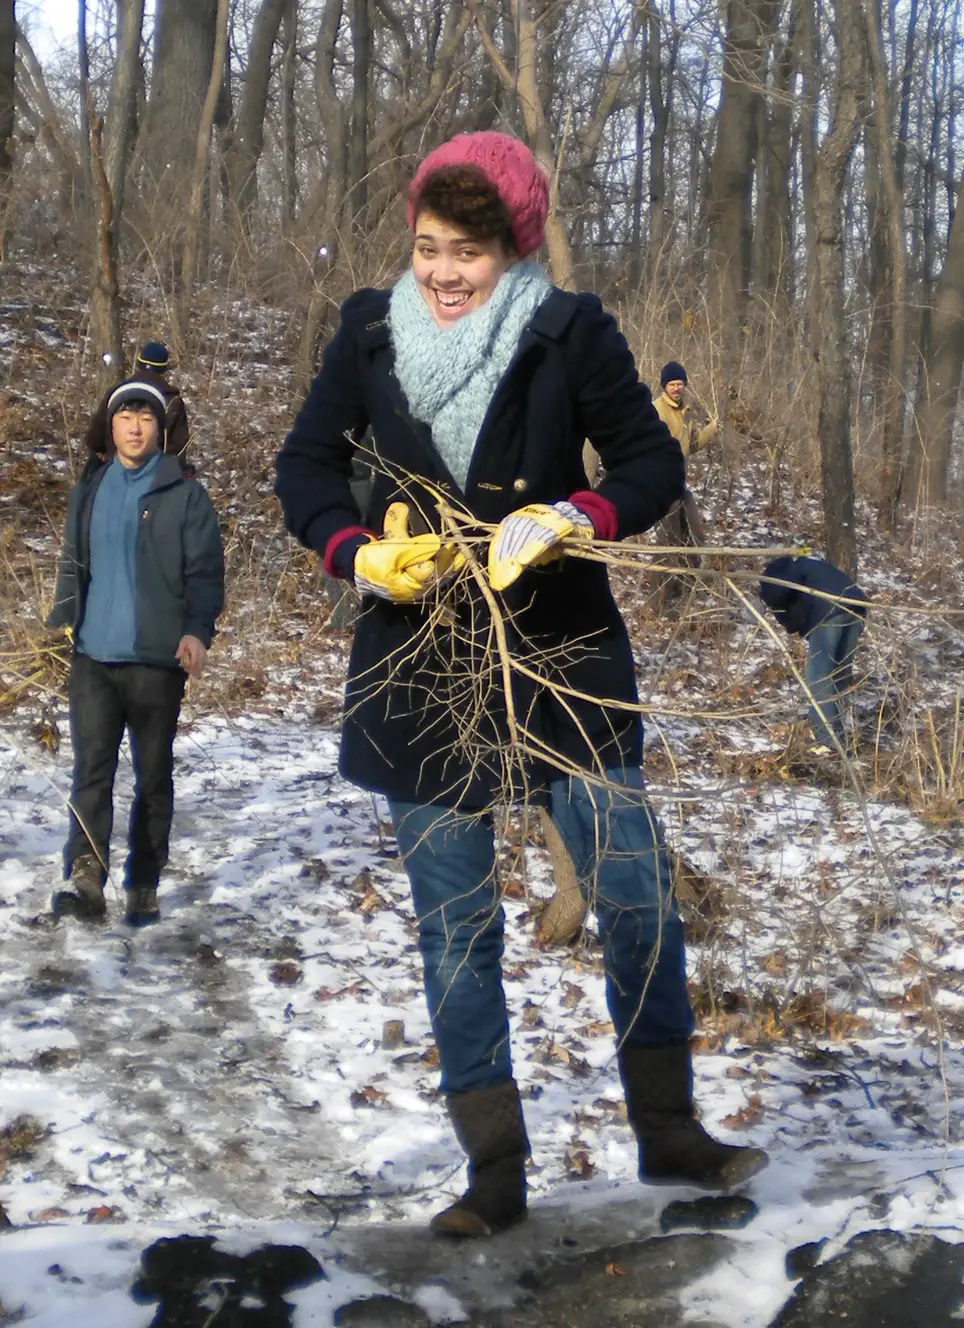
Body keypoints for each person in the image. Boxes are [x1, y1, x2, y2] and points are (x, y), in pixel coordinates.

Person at [275, 131, 767, 1238]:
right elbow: (303, 466)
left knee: (634, 893)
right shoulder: (365, 332)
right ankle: (494, 1167)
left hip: (561, 655)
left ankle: (670, 1127)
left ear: (518, 245)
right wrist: (356, 549)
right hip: (420, 665)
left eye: (471, 251)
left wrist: (573, 517)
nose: (444, 271)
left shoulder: (569, 332)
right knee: (456, 927)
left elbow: (648, 463)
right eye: (430, 246)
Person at [48, 376, 224, 926]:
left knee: (152, 773)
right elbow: (72, 565)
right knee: (90, 771)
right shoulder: (91, 489)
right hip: (93, 658)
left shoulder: (185, 495)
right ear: (111, 424)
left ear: (160, 428)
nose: (134, 426)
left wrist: (196, 632)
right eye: (125, 415)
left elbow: (205, 574)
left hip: (155, 659)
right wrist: (61, 623)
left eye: (145, 417)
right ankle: (85, 875)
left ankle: (143, 880)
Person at [760, 555, 868, 753]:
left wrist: (763, 596)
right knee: (839, 674)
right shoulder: (811, 568)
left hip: (828, 609)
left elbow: (775, 593)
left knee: (819, 678)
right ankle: (840, 732)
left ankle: (827, 741)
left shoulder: (781, 572)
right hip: (856, 606)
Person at [652, 361, 719, 610]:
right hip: (661, 485)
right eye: (672, 384)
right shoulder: (656, 410)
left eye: (680, 384)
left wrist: (710, 432)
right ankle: (660, 600)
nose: (677, 388)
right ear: (664, 386)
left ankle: (688, 591)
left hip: (679, 485)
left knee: (693, 535)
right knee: (668, 541)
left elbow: (689, 446)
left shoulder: (685, 412)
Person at [85, 341, 191, 463]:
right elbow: (177, 448)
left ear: (139, 363)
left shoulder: (117, 393)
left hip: (113, 467)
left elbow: (95, 437)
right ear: (163, 368)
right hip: (156, 474)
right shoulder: (173, 401)